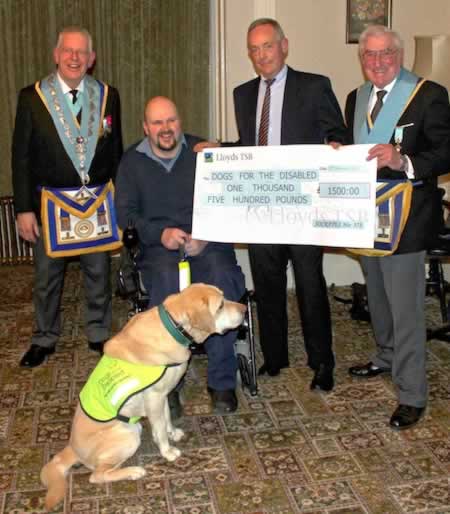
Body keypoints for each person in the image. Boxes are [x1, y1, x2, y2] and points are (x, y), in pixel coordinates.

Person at [197, 18, 347, 390]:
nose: (261, 55)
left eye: (267, 46)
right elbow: (252, 148)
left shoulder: (314, 86)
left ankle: (322, 362)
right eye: (254, 49)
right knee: (266, 284)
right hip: (261, 207)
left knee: (310, 284)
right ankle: (275, 357)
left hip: (303, 206)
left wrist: (334, 145)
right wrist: (221, 149)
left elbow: (339, 133)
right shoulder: (242, 94)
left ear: (284, 46)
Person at [345, 25, 450, 429]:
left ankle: (412, 393)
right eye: (369, 55)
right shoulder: (356, 98)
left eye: (385, 53)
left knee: (406, 309)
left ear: (400, 54)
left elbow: (445, 152)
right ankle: (386, 357)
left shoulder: (429, 94)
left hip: (406, 218)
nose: (377, 61)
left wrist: (402, 159)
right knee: (378, 297)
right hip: (364, 217)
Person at [114, 96, 246, 414]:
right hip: (160, 249)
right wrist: (160, 235)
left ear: (180, 122)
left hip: (207, 243)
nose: (165, 128)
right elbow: (125, 215)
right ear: (146, 127)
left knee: (222, 279)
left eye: (171, 120)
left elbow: (230, 198)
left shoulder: (203, 153)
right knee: (165, 284)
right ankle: (166, 383)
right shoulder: (131, 162)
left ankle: (222, 382)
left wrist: (206, 234)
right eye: (157, 122)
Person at [12, 26, 123, 368]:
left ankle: (99, 332)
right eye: (68, 51)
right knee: (47, 278)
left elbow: (115, 150)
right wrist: (24, 209)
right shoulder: (33, 97)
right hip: (51, 204)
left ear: (92, 60)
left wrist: (120, 201)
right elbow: (21, 157)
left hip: (95, 202)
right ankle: (44, 337)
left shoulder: (107, 96)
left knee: (98, 274)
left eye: (81, 52)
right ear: (56, 55)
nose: (74, 58)